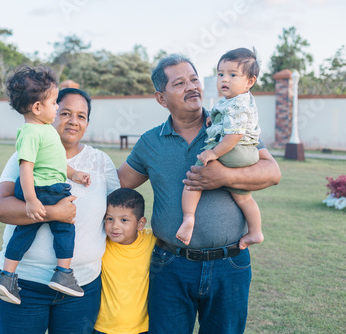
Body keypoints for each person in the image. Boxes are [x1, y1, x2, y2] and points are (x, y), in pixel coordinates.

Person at [117, 54, 281, 334]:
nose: (192, 87)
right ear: (161, 98)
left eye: (194, 79)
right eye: (179, 83)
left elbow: (272, 172)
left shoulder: (229, 126)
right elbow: (116, 183)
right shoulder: (149, 143)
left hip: (230, 264)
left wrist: (225, 177)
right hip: (170, 266)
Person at [0, 87, 120, 333]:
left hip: (81, 286)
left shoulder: (101, 162)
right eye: (66, 113)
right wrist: (54, 213)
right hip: (25, 285)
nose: (74, 121)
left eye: (81, 116)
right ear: (51, 112)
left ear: (88, 122)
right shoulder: (26, 153)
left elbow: (118, 210)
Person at [0, 66, 91, 304]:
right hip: (45, 190)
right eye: (55, 103)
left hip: (46, 186)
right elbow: (26, 167)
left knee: (25, 231)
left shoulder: (45, 131)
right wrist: (31, 200)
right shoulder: (30, 133)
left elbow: (55, 162)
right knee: (65, 227)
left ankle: (7, 276)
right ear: (37, 108)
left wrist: (74, 173)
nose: (57, 108)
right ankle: (64, 273)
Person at [177, 48, 264, 249]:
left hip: (234, 150)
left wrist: (214, 153)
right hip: (247, 152)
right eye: (221, 74)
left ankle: (189, 218)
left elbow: (234, 135)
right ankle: (256, 232)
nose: (225, 79)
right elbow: (224, 117)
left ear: (250, 81)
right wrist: (213, 119)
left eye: (233, 75)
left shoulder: (237, 105)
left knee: (194, 179)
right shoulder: (237, 100)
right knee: (243, 198)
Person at [93, 188, 156, 334]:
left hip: (141, 328)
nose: (115, 226)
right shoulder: (101, 243)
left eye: (124, 220)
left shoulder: (151, 240)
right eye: (109, 219)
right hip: (103, 327)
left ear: (140, 224)